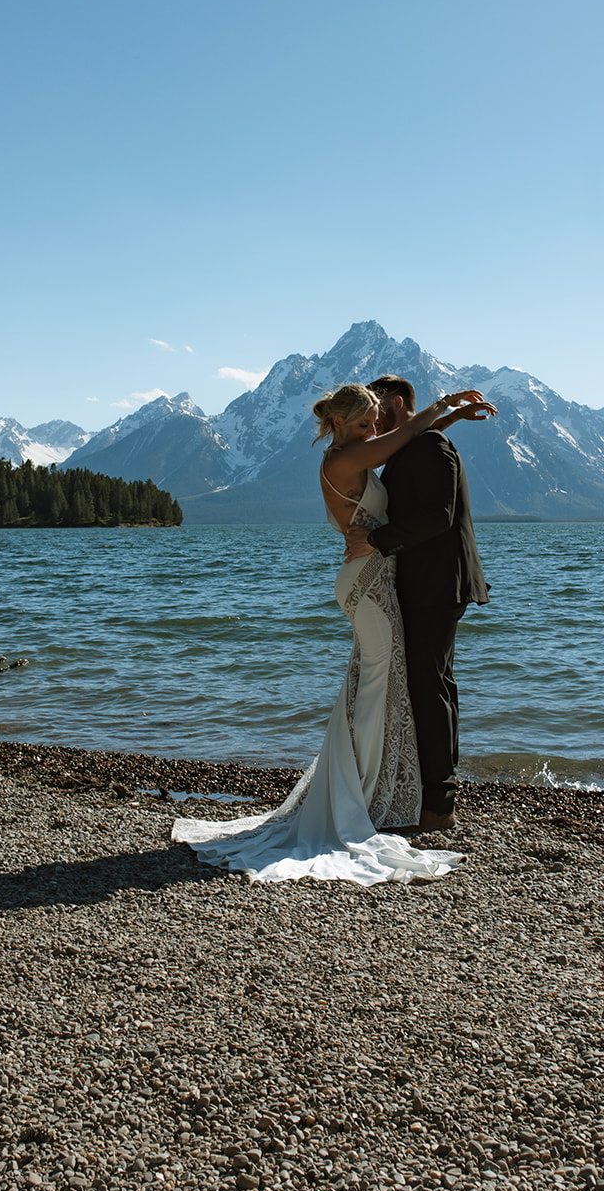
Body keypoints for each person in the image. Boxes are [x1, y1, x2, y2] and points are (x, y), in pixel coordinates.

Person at [171, 381, 488, 885]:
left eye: (375, 422)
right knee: (380, 682)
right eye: (365, 422)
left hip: (378, 582)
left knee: (379, 682)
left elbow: (405, 438)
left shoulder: (364, 451)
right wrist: (444, 406)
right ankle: (361, 797)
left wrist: (446, 419)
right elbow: (402, 438)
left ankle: (372, 791)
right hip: (367, 582)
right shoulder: (346, 458)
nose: (373, 431)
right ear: (342, 424)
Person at [344, 374, 491, 832]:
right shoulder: (414, 444)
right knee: (429, 684)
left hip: (437, 584)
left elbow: (438, 516)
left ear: (399, 401)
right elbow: (416, 446)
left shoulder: (429, 446)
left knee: (431, 686)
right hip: (420, 582)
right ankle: (426, 795)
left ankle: (439, 805)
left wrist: (375, 539)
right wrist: (453, 416)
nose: (371, 412)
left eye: (378, 403)